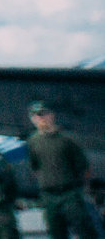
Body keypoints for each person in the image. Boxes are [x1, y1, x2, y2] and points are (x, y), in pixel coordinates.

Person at [26, 102, 97, 239]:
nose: (40, 119)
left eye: (43, 114)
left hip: (70, 193)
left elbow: (83, 167)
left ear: (51, 115)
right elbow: (35, 167)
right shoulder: (33, 142)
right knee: (56, 231)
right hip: (49, 195)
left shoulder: (67, 139)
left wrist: (82, 190)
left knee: (84, 228)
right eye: (36, 116)